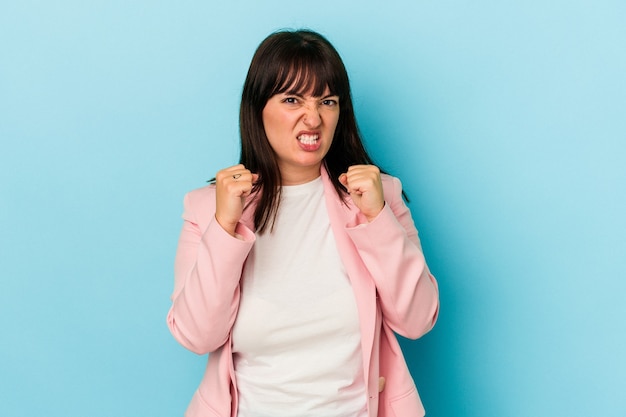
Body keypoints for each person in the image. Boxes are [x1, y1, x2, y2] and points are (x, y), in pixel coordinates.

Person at [167, 29, 439, 417]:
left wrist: (377, 219)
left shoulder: (381, 197)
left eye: (327, 101)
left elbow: (418, 319)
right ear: (257, 108)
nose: (313, 118)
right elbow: (197, 335)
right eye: (292, 99)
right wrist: (224, 228)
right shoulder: (206, 209)